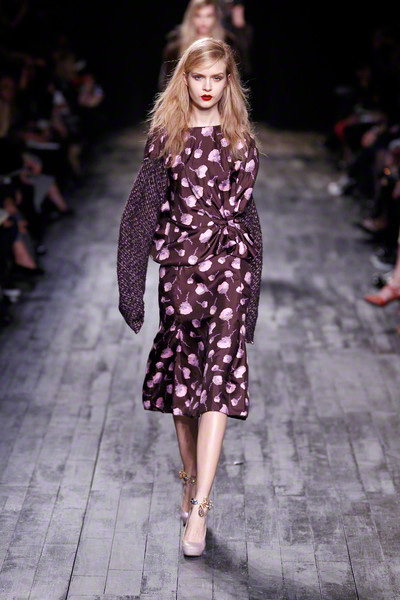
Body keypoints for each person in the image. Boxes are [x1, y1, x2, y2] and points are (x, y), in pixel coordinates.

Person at [117, 37, 262, 557]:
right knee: (185, 381)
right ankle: (190, 477)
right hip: (181, 268)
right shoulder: (168, 136)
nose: (207, 87)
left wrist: (252, 289)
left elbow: (246, 214)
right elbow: (140, 213)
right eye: (198, 77)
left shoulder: (240, 136)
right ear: (184, 77)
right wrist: (131, 288)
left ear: (228, 82)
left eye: (216, 78)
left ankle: (201, 507)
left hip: (229, 266)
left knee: (218, 377)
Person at [158, 0, 240, 91]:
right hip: (181, 94)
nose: (203, 21)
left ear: (216, 17)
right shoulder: (176, 44)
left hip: (217, 95)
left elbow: (235, 77)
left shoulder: (228, 42)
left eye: (209, 16)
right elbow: (166, 79)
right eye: (198, 15)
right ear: (191, 17)